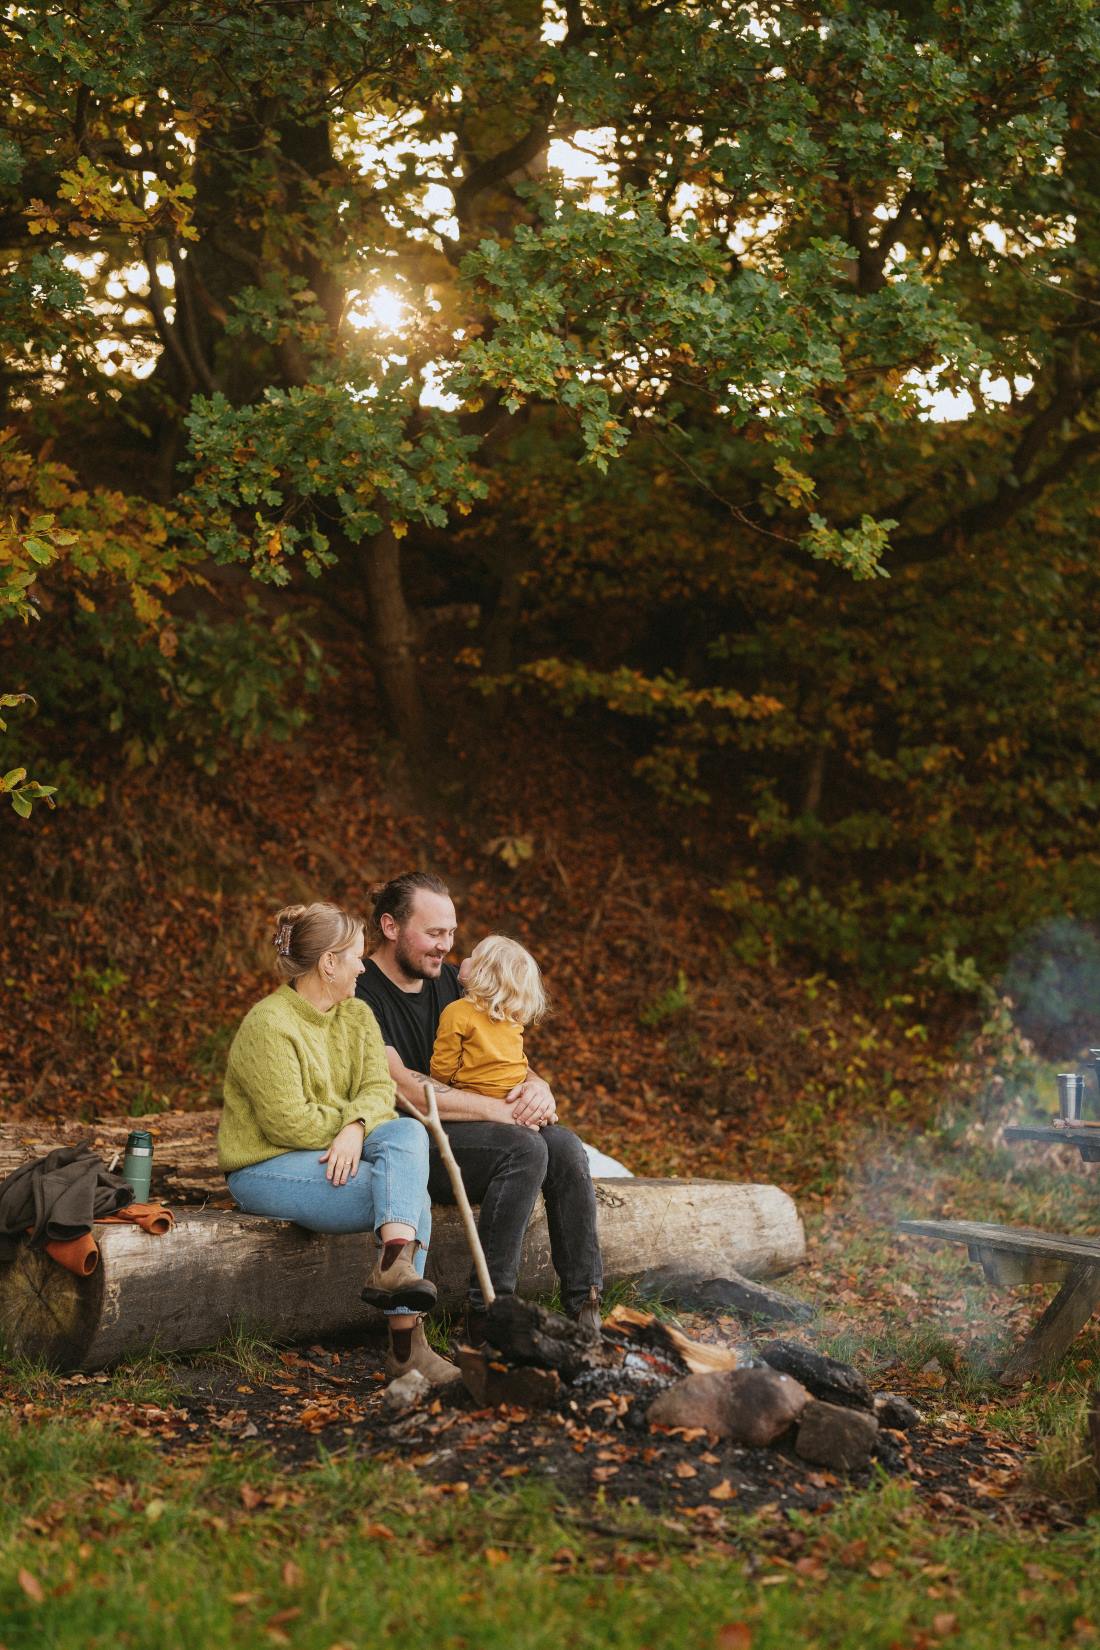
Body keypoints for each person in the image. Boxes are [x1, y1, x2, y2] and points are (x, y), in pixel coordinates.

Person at [218, 900, 458, 1385]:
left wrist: (355, 1128)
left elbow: (376, 1091)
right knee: (408, 1201)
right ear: (329, 963)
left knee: (409, 1133)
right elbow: (288, 1123)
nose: (362, 966)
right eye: (355, 956)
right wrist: (350, 1124)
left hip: (333, 1151)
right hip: (267, 1166)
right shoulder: (269, 1024)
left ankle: (393, 1268)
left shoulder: (357, 1015)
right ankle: (405, 1349)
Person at [356, 872, 603, 1340]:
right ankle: (491, 1310)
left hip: (479, 1133)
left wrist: (537, 1087)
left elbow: (503, 1056)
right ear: (390, 927)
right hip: (409, 1144)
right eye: (433, 934)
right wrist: (500, 1112)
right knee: (524, 1149)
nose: (446, 946)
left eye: (450, 933)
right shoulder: (363, 992)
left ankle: (586, 1309)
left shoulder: (453, 982)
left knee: (567, 1147)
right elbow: (403, 1087)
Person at [430, 935, 548, 1101]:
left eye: (472, 957)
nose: (465, 960)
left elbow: (444, 1064)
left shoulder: (457, 1012)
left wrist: (435, 1084)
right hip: (514, 1093)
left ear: (481, 973)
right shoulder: (511, 1015)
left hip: (474, 1095)